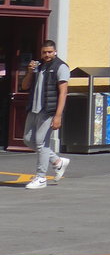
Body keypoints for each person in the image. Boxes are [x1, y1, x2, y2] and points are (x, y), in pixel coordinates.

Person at [21, 40, 71, 190]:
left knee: (41, 143)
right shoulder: (39, 66)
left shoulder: (61, 67)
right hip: (34, 109)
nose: (47, 55)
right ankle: (57, 161)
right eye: (44, 52)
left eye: (50, 52)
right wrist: (29, 72)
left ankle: (41, 177)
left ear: (55, 52)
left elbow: (63, 92)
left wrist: (58, 115)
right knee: (28, 140)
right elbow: (24, 86)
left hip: (48, 111)